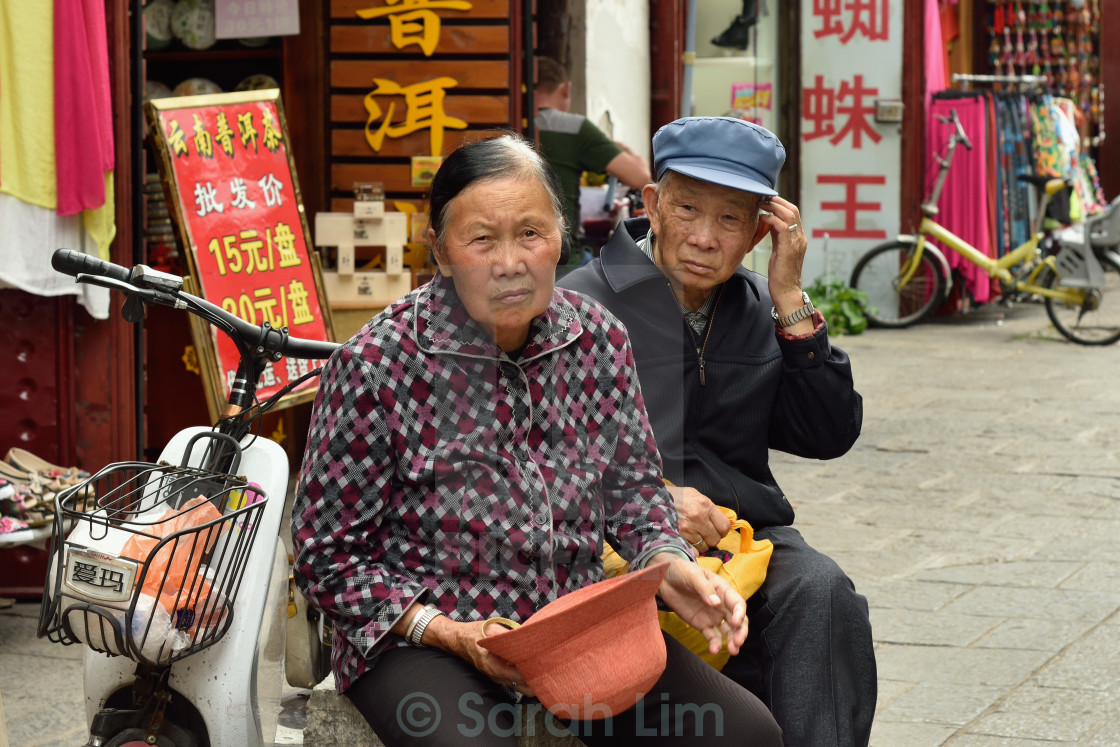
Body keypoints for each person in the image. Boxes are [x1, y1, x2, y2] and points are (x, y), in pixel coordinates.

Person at [292, 133, 783, 746]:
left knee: (743, 733)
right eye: (481, 240)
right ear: (441, 253)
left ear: (560, 237)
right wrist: (449, 632)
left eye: (530, 233)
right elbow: (326, 556)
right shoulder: (377, 365)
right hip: (422, 637)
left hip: (572, 622)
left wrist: (666, 563)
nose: (510, 261)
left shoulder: (597, 340)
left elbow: (633, 493)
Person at [559, 116, 876, 747]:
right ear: (652, 204)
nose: (704, 238)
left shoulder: (764, 307)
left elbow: (828, 432)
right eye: (687, 209)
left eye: (731, 219)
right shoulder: (579, 306)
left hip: (744, 539)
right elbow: (531, 456)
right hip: (616, 541)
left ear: (762, 231)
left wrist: (790, 296)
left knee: (824, 593)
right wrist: (652, 501)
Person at [534, 56, 651, 252]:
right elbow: (640, 177)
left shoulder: (505, 119)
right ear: (566, 89)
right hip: (561, 256)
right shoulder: (574, 128)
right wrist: (632, 154)